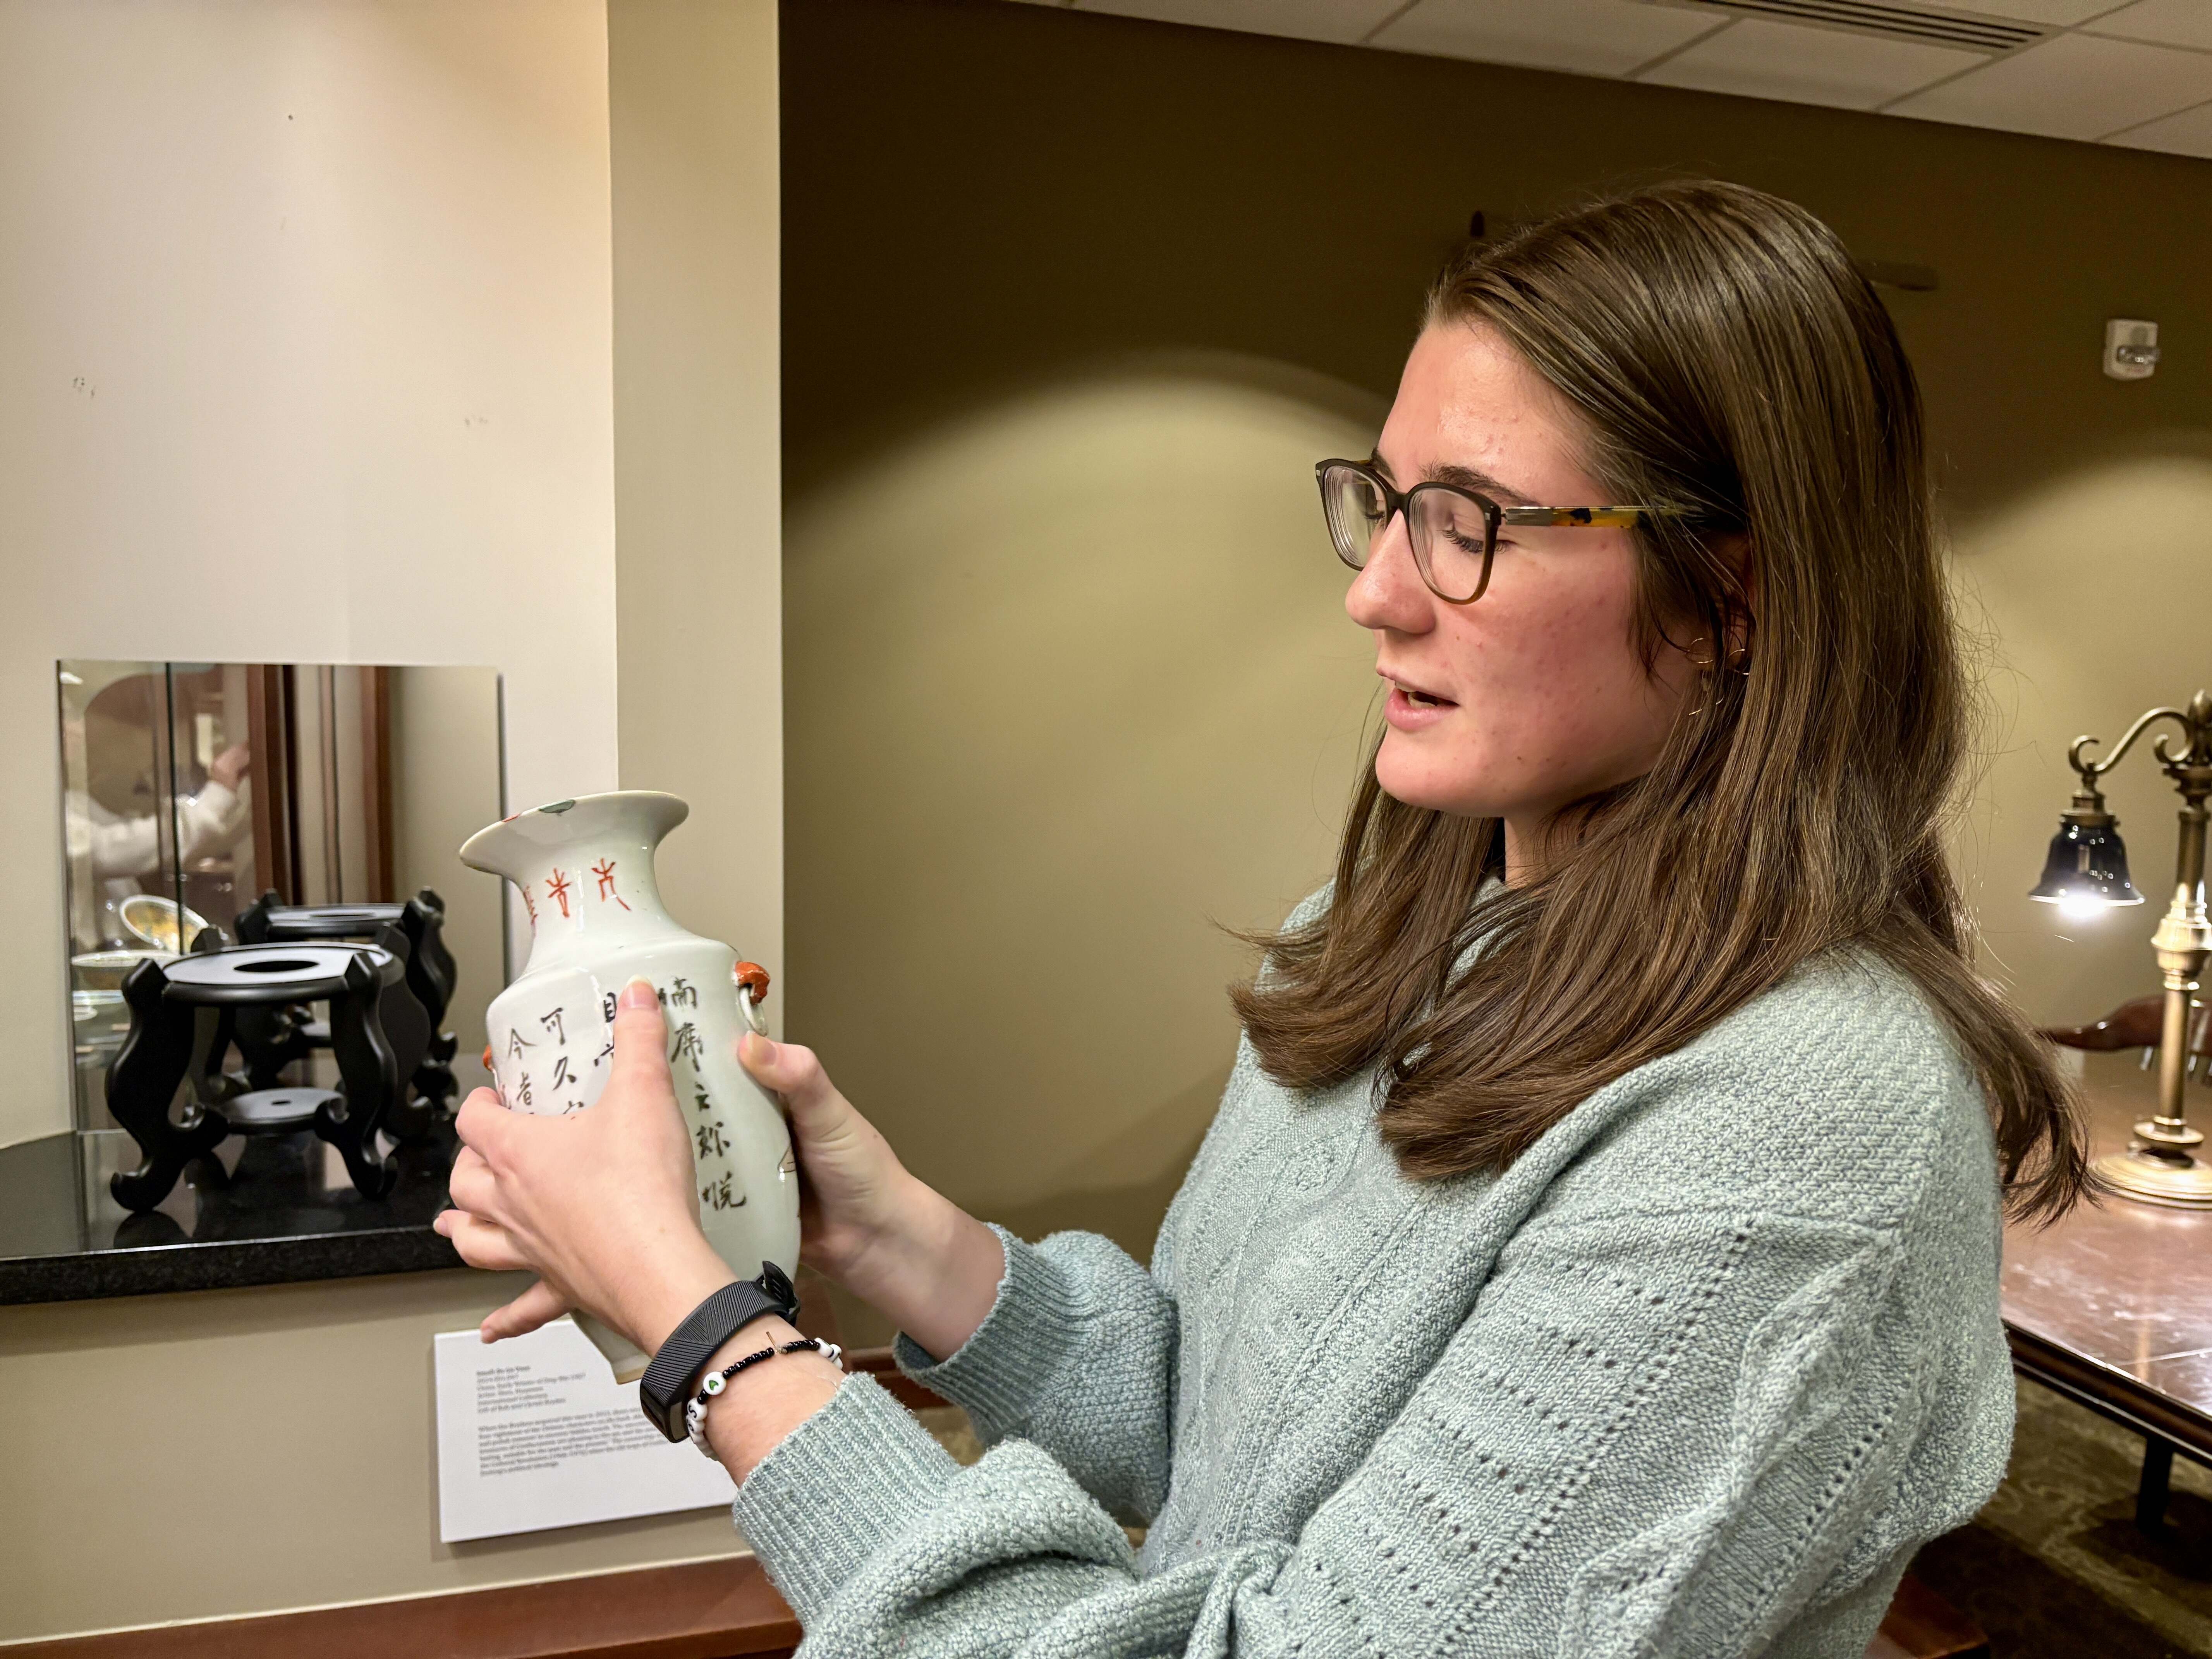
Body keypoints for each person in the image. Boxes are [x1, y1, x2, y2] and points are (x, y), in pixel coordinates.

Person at [436, 180, 2087, 1656]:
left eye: (1471, 524)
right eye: (1387, 501)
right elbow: (1217, 1426)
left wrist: (716, 1344)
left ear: (1738, 595)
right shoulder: (1390, 933)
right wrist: (886, 1235)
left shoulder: (1807, 1124)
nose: (1376, 591)